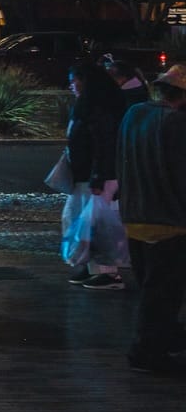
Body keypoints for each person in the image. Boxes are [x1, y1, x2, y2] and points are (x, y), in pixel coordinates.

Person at [117, 64, 186, 375]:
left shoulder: (135, 114)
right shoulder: (176, 122)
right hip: (169, 221)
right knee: (162, 294)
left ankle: (166, 338)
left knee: (152, 287)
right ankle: (147, 351)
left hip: (136, 216)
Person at [62, 59, 129, 289]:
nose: (71, 85)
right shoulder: (89, 105)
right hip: (87, 175)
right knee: (82, 220)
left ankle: (108, 272)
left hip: (97, 176)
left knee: (95, 224)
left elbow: (103, 144)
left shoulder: (97, 109)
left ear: (85, 81)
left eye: (74, 80)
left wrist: (99, 175)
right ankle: (94, 267)